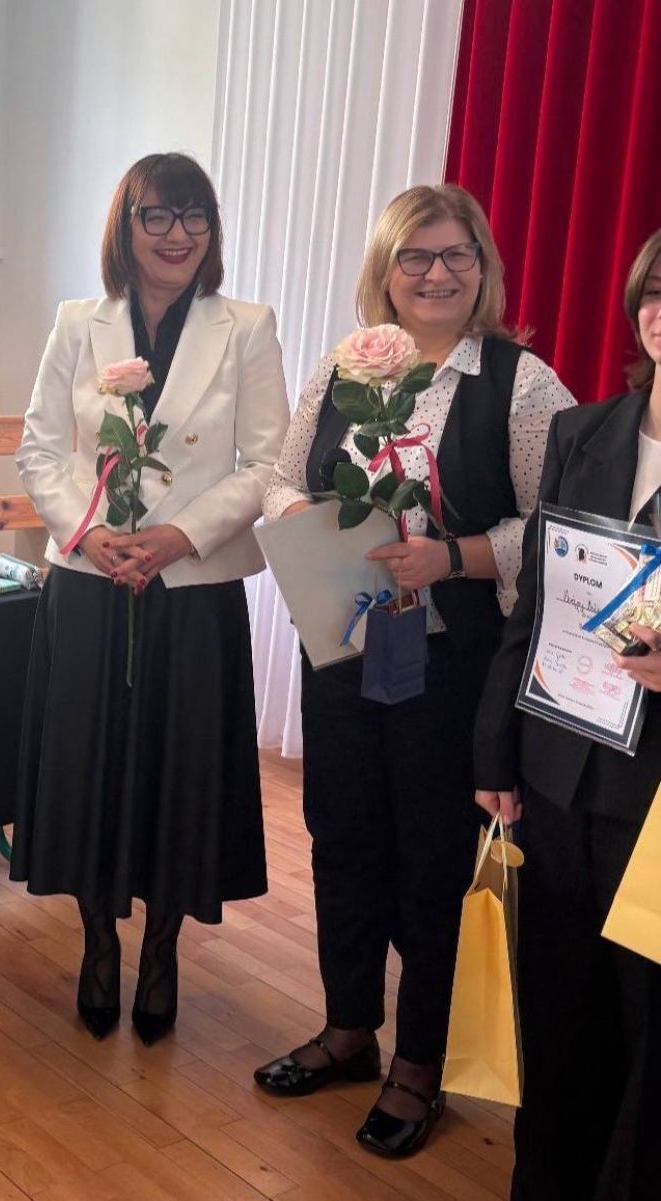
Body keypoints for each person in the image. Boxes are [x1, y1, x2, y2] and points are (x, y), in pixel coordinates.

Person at [253, 184, 574, 1157]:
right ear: (384, 272)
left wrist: (454, 555)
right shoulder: (343, 365)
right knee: (341, 834)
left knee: (432, 857)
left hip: (453, 660)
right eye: (414, 257)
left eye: (455, 254)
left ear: (482, 266)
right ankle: (349, 1027)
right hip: (346, 645)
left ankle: (420, 1064)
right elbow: (281, 476)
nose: (436, 273)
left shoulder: (520, 384)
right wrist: (313, 524)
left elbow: (557, 525)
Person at [11, 152, 290, 1046]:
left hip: (191, 587)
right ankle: (98, 938)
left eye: (194, 216)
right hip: (92, 581)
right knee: (89, 765)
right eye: (157, 216)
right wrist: (88, 532)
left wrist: (179, 535)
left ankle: (163, 947)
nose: (177, 235)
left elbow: (268, 463)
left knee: (181, 772)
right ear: (125, 227)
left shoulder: (246, 326)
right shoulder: (77, 321)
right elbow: (40, 450)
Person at [474, 228, 661, 1200]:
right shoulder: (581, 433)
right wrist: (494, 747)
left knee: (644, 1027)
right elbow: (538, 604)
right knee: (554, 1011)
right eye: (656, 293)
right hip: (556, 769)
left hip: (653, 799)